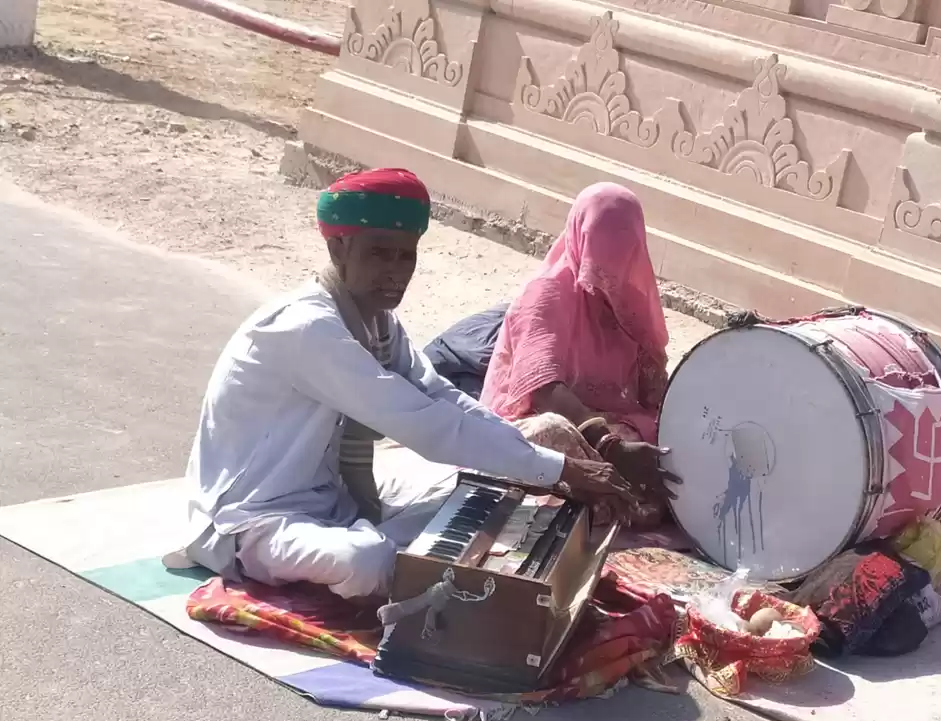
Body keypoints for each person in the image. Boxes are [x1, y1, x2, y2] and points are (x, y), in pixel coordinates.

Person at [174, 169, 636, 600]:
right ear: (338, 250)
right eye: (378, 253)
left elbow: (439, 395)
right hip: (253, 517)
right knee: (366, 560)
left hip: (331, 497)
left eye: (406, 255)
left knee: (487, 493)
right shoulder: (306, 327)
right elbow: (418, 421)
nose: (396, 271)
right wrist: (558, 470)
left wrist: (540, 460)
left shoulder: (377, 322)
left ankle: (406, 550)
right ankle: (392, 558)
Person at [481, 183, 679, 526]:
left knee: (669, 437)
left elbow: (652, 396)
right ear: (579, 240)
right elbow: (543, 391)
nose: (607, 269)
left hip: (607, 429)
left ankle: (611, 507)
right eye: (599, 254)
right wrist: (609, 446)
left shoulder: (631, 305)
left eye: (620, 255)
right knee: (552, 431)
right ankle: (613, 507)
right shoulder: (547, 295)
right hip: (527, 428)